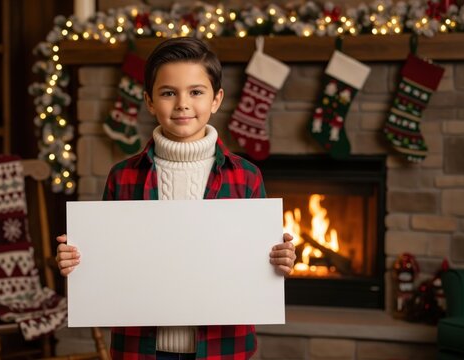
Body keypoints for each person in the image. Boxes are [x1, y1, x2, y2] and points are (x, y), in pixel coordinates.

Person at [56, 37, 296, 360]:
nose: (183, 103)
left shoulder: (247, 176)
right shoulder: (122, 176)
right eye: (168, 93)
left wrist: (280, 260)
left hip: (222, 348)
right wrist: (77, 260)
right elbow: (109, 260)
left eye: (196, 92)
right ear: (150, 102)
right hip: (141, 349)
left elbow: (258, 260)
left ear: (216, 99)